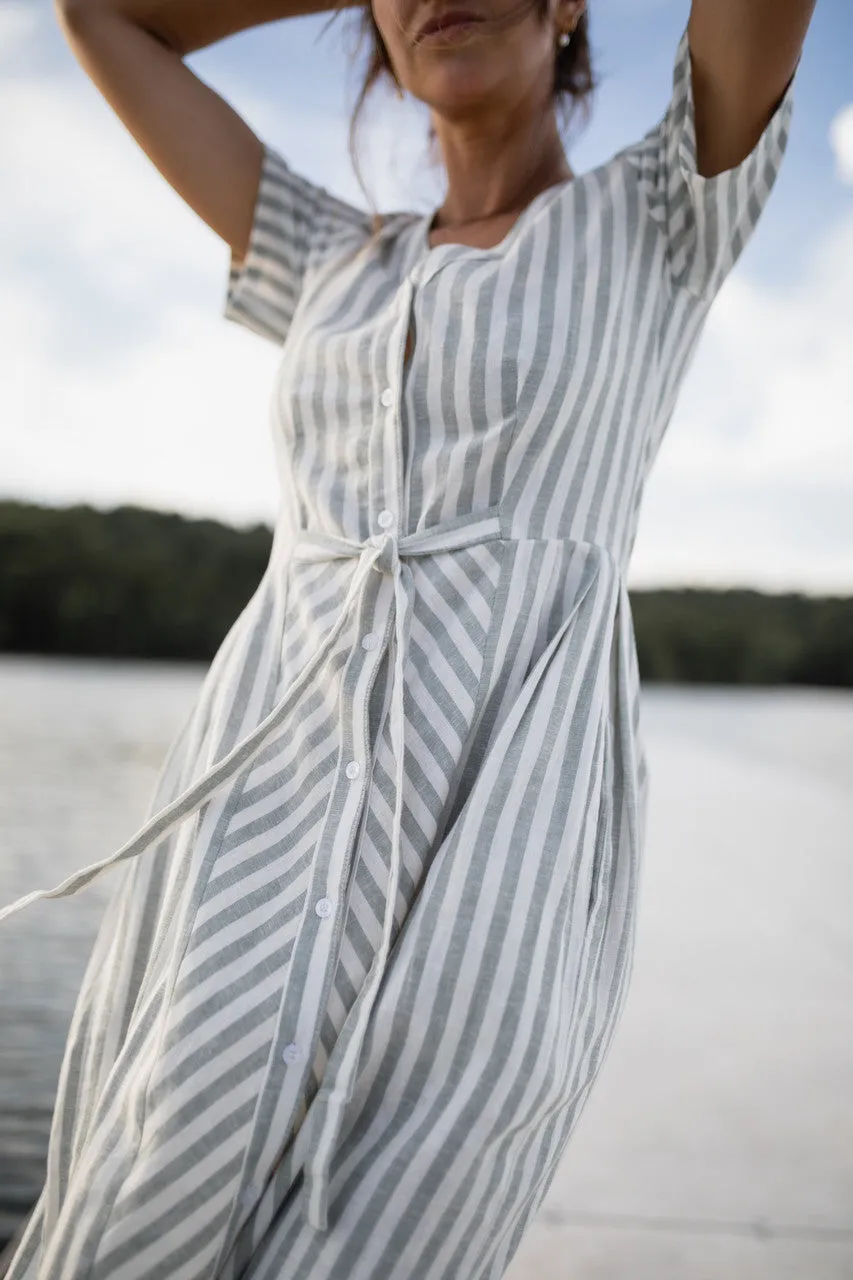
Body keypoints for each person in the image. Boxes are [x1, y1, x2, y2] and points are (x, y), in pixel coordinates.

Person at [1, 0, 813, 1276]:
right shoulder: (328, 250)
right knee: (138, 1207)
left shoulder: (661, 213)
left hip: (500, 837)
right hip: (253, 825)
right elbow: (101, 18)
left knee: (389, 1231)